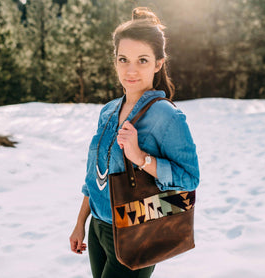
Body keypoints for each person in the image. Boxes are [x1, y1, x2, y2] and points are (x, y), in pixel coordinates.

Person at [69, 7, 200, 278]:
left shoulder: (166, 115)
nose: (130, 70)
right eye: (123, 59)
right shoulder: (108, 111)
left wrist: (141, 158)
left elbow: (190, 180)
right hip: (98, 230)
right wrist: (81, 223)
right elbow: (94, 176)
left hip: (138, 229)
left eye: (142, 60)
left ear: (158, 63)